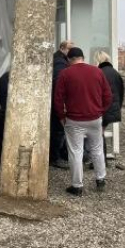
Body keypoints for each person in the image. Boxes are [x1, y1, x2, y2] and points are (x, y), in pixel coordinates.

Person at [54, 47, 112, 196]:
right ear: (83, 57)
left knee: (75, 152)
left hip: (74, 120)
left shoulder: (65, 73)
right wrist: (100, 112)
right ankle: (100, 179)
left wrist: (61, 116)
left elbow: (58, 99)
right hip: (95, 119)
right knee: (97, 149)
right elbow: (108, 96)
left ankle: (77, 186)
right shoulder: (97, 72)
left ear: (69, 59)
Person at [96, 51, 124, 159]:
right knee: (99, 133)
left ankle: (100, 161)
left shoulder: (99, 72)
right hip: (112, 109)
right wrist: (118, 108)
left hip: (102, 109)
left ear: (99, 60)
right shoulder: (115, 73)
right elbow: (121, 92)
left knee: (98, 135)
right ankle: (100, 160)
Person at [50, 40, 73, 169]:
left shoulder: (59, 59)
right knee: (58, 131)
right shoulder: (60, 62)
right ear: (62, 48)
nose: (71, 51)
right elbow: (58, 84)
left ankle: (58, 155)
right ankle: (55, 157)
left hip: (54, 100)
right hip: (56, 101)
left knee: (57, 130)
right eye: (69, 48)